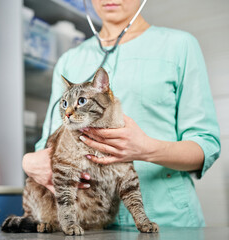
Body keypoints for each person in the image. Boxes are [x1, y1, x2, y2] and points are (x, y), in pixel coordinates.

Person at [22, 0, 221, 227]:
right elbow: (46, 147)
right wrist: (28, 162)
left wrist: (146, 149)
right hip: (90, 222)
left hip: (168, 219)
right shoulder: (69, 60)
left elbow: (206, 145)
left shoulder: (180, 46)